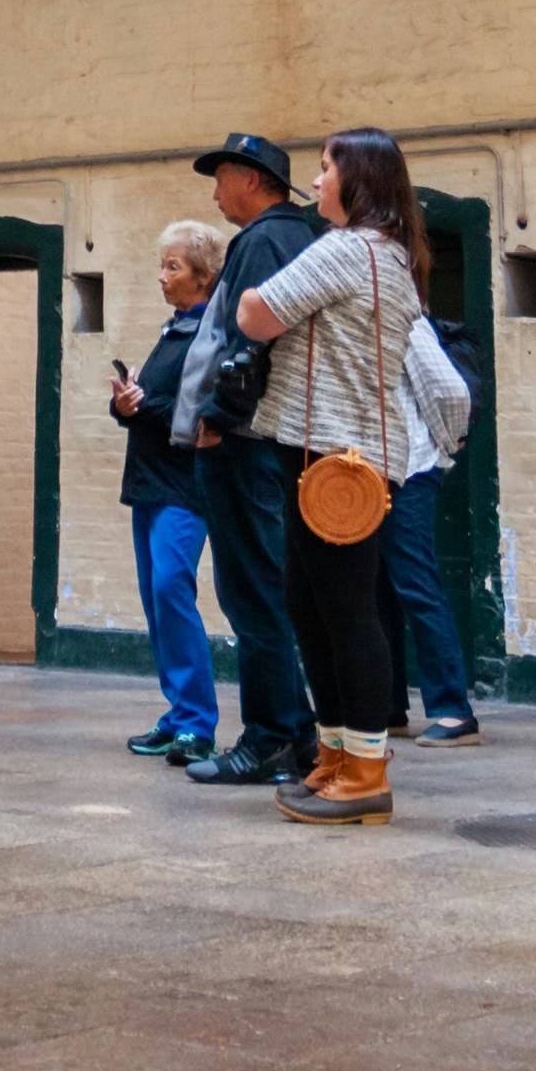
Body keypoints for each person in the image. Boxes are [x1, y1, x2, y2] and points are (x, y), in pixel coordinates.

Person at [231, 128, 441, 826]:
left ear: (358, 180)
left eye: (324, 170)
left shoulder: (350, 250)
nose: (315, 182)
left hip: (335, 458)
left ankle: (366, 774)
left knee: (345, 615)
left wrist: (256, 292)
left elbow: (254, 314)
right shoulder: (392, 255)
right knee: (315, 607)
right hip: (337, 452)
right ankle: (336, 756)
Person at [172, 133, 324, 789]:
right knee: (271, 590)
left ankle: (269, 740)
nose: (214, 191)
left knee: (252, 594)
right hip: (272, 441)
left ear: (253, 179)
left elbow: (249, 345)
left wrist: (219, 420)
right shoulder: (298, 237)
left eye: (222, 177)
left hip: (244, 442)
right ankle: (297, 734)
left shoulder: (263, 241)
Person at [111, 219, 226, 761]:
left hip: (184, 485)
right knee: (157, 602)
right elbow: (157, 403)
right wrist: (125, 403)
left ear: (202, 276)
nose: (162, 276)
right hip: (150, 481)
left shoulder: (211, 332)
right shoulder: (175, 328)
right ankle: (178, 711)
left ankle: (198, 724)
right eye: (163, 265)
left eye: (172, 266)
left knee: (171, 591)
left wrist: (142, 404)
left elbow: (196, 410)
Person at [384, 304, 485, 743]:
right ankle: (386, 707)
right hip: (371, 468)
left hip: (409, 467)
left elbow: (449, 391)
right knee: (374, 586)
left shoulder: (405, 317)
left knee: (414, 582)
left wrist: (445, 444)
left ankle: (452, 710)